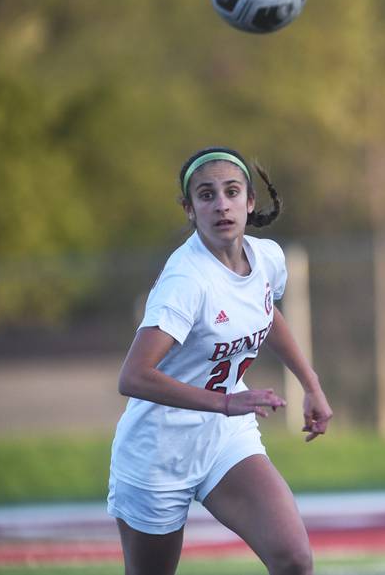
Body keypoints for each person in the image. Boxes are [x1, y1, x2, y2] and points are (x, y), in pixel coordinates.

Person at [108, 146, 333, 575]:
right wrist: (225, 403)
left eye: (232, 192)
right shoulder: (186, 281)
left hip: (225, 440)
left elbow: (266, 312)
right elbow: (134, 376)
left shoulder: (266, 257)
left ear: (250, 202)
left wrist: (311, 385)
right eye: (206, 195)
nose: (221, 204)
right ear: (190, 209)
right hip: (159, 452)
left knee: (294, 559)